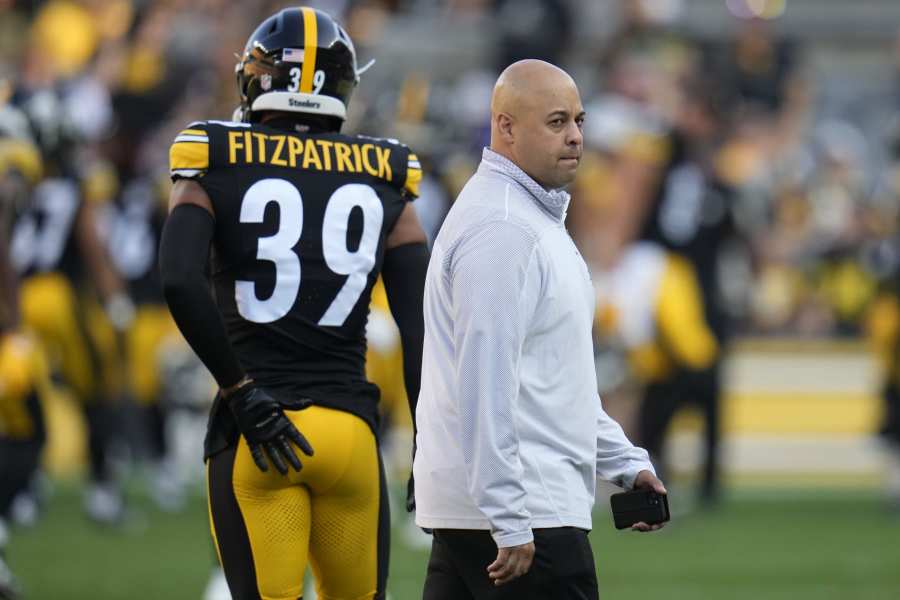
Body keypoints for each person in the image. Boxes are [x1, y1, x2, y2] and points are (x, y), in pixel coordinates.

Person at [158, 8, 428, 600]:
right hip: (351, 438)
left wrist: (239, 389)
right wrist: (430, 444)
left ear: (255, 80)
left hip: (260, 434)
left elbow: (178, 279)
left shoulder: (214, 151)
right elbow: (422, 324)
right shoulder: (388, 170)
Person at [413, 59, 666, 600]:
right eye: (556, 122)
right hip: (525, 520)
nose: (575, 136)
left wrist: (623, 463)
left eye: (579, 120)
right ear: (505, 126)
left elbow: (549, 382)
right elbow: (485, 380)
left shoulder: (519, 217)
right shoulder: (505, 229)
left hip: (484, 516)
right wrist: (509, 514)